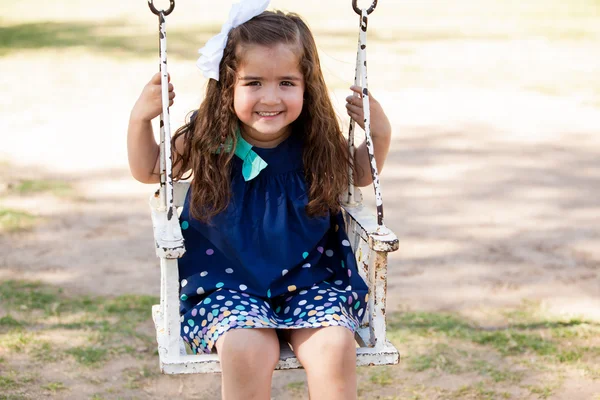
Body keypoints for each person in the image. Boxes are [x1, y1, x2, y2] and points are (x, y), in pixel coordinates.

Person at [127, 2, 391, 399]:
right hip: (225, 286)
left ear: (307, 85)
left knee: (333, 345)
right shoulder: (208, 137)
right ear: (228, 84)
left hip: (310, 279)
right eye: (253, 83)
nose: (271, 97)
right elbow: (150, 169)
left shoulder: (313, 140)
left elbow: (359, 174)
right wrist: (140, 119)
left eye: (287, 82)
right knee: (247, 347)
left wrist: (379, 130)